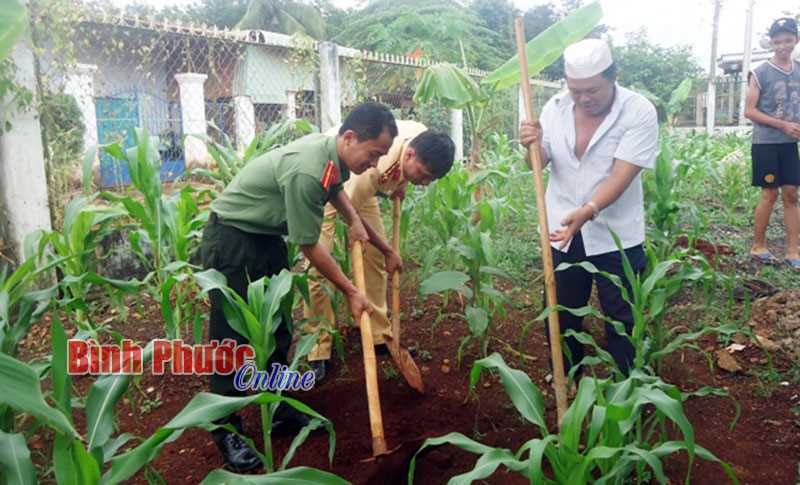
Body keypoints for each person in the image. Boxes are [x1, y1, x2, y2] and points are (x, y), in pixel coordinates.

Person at [200, 102, 403, 471]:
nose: (374, 165)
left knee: (277, 328)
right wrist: (351, 291)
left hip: (265, 239)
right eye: (373, 155)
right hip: (233, 237)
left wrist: (356, 221)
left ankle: (277, 408)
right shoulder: (309, 169)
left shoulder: (331, 156)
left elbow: (335, 188)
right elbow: (311, 246)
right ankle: (226, 429)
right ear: (350, 137)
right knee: (231, 339)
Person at [520, 38, 659, 380]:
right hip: (562, 227)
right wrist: (532, 146)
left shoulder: (638, 110)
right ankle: (566, 373)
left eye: (592, 91)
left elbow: (622, 173)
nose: (582, 99)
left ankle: (628, 383)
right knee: (562, 309)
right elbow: (538, 164)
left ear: (614, 76)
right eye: (575, 90)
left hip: (615, 233)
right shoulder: (554, 107)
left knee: (621, 314)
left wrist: (589, 209)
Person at [302, 121, 456, 381]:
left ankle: (376, 334)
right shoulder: (373, 169)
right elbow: (349, 211)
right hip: (330, 185)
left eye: (431, 179)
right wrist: (388, 250)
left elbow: (406, 164)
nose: (426, 182)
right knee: (319, 265)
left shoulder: (423, 139)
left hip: (366, 188)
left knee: (374, 258)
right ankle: (317, 349)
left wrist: (404, 179)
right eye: (424, 174)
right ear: (409, 155)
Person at [745, 17, 800, 268]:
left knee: (791, 194)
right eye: (777, 41)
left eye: (788, 40)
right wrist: (783, 125)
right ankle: (758, 246)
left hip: (790, 143)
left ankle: (792, 251)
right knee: (770, 193)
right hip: (766, 142)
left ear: (796, 40)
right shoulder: (760, 72)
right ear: (771, 43)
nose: (783, 46)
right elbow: (750, 111)